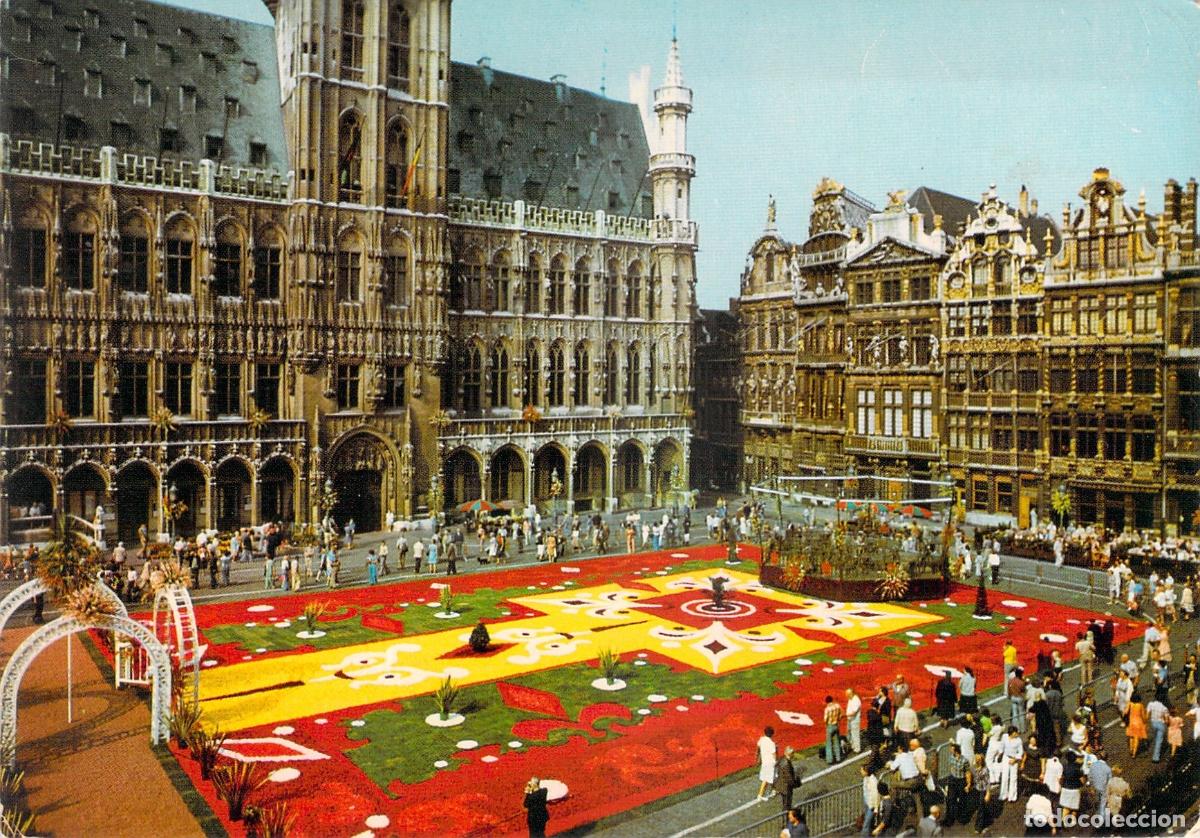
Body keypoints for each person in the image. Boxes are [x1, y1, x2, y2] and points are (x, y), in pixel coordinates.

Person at [774, 746, 800, 811]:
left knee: (785, 802)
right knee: (787, 803)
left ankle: (787, 812)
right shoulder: (787, 764)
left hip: (781, 785)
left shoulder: (782, 759)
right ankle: (786, 815)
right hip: (786, 787)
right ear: (791, 754)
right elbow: (789, 778)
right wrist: (795, 784)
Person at [756, 726, 778, 801]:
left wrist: (758, 756)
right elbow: (774, 754)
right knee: (766, 779)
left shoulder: (762, 739)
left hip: (765, 762)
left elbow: (758, 747)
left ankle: (774, 790)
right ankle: (760, 795)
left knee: (774, 776)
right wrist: (776, 761)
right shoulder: (771, 743)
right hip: (770, 763)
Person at [1087, 750, 1111, 816]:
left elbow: (1090, 777)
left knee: (1097, 803)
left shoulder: (1093, 766)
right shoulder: (1107, 768)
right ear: (1107, 758)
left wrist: (1091, 787)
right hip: (1103, 788)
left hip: (1095, 787)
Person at [1146, 695, 1169, 762]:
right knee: (1159, 741)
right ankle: (1155, 757)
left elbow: (1147, 715)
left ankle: (1154, 751)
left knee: (1156, 738)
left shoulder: (1151, 704)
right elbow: (1166, 720)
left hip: (1153, 723)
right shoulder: (1164, 708)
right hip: (1161, 724)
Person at [860, 764, 879, 836]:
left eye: (862, 770)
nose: (860, 771)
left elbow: (876, 795)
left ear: (866, 772)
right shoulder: (865, 778)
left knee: (866, 824)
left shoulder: (873, 781)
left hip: (871, 805)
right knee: (868, 821)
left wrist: (876, 808)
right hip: (867, 801)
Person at [1126, 692, 1148, 757]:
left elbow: (1126, 712)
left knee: (1131, 737)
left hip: (1131, 722)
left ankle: (1131, 749)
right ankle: (1134, 753)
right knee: (1136, 738)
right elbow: (1143, 716)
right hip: (1138, 723)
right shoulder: (1140, 705)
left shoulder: (1130, 704)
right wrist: (1145, 721)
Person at [823, 695, 842, 764]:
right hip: (836, 725)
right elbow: (840, 715)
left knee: (829, 744)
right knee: (837, 742)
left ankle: (830, 760)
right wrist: (838, 720)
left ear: (827, 702)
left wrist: (826, 725)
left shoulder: (827, 709)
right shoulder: (837, 706)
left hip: (830, 726)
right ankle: (838, 758)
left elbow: (825, 719)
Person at [845, 688, 863, 754]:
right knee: (849, 733)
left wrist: (844, 715)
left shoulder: (856, 700)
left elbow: (854, 713)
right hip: (850, 719)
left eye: (847, 694)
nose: (846, 696)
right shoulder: (850, 699)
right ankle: (853, 746)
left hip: (855, 720)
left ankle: (857, 749)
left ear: (850, 694)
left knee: (855, 734)